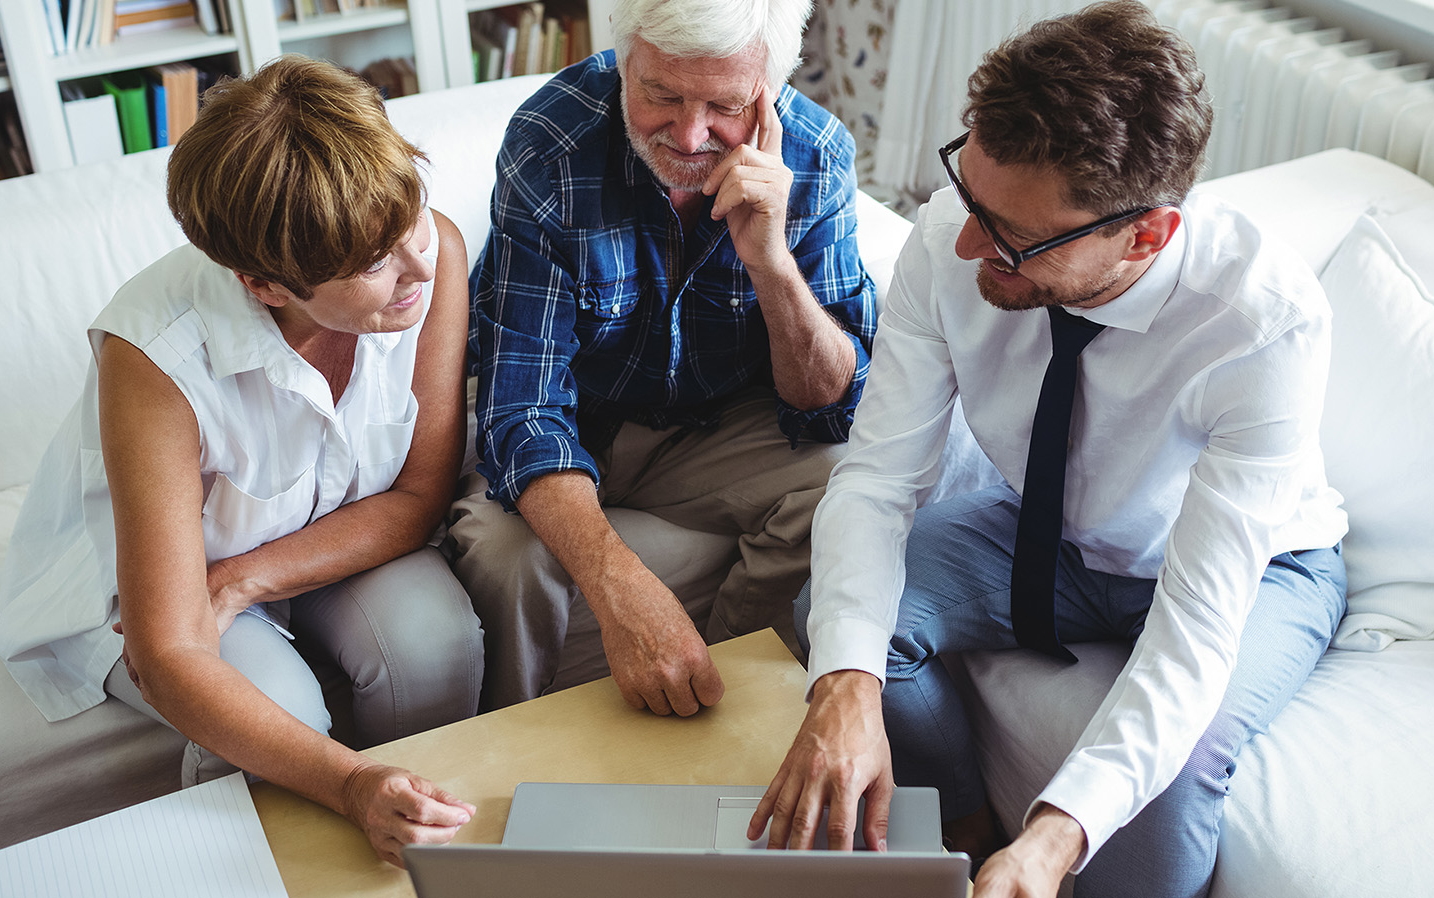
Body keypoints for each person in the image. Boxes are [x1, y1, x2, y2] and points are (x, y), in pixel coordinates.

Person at [752, 4, 1351, 897]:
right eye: (970, 195)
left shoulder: (1263, 324)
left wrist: (1055, 835)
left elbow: (1194, 630)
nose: (963, 243)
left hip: (1257, 568)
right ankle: (957, 833)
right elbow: (878, 479)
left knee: (1163, 784)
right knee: (839, 626)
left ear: (1144, 234)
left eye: (1010, 238)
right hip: (1047, 534)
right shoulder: (947, 238)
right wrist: (847, 685)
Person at [0, 55, 484, 867]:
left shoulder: (431, 255)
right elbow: (170, 653)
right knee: (278, 708)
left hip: (323, 536)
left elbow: (420, 493)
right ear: (265, 285)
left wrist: (245, 579)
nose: (421, 264)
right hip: (144, 583)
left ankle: (438, 851)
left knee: (437, 641)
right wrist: (350, 784)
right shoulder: (155, 357)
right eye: (374, 264)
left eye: (411, 218)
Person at [450, 0, 877, 717]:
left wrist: (770, 263)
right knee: (504, 556)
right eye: (661, 94)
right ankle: (507, 749)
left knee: (850, 480)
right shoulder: (550, 142)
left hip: (714, 433)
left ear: (769, 91)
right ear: (625, 60)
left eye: (725, 105)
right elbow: (521, 407)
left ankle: (723, 703)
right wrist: (626, 590)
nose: (689, 133)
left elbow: (834, 406)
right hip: (575, 424)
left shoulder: (816, 152)